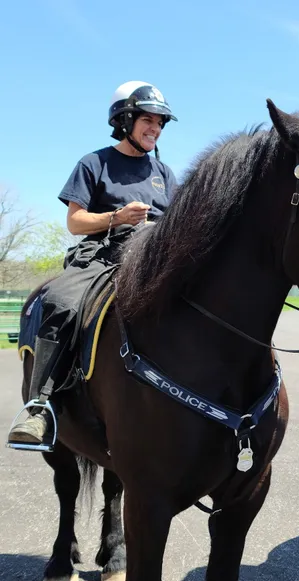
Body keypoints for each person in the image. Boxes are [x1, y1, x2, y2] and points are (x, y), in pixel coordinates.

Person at [7, 81, 178, 450]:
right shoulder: (94, 163)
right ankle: (40, 405)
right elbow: (75, 222)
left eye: (160, 122)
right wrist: (117, 217)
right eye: (147, 120)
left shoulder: (164, 174)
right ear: (125, 121)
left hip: (156, 256)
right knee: (60, 301)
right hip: (103, 257)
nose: (155, 128)